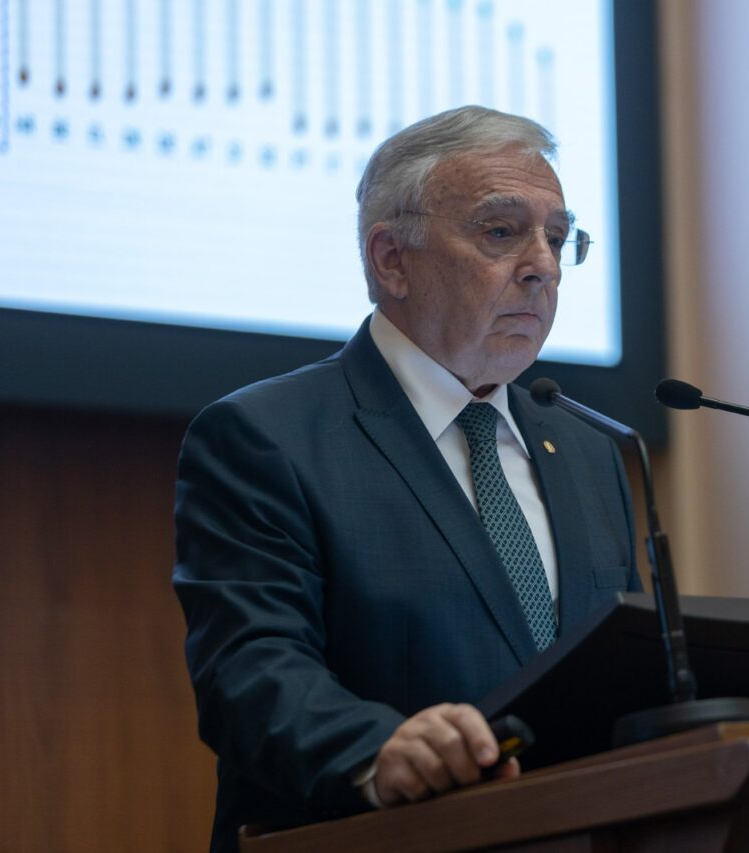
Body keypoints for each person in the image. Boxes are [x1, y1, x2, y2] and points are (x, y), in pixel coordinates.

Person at [173, 105, 640, 853]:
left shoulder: (588, 452)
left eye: (557, 238)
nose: (544, 266)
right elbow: (250, 671)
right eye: (502, 231)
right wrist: (378, 752)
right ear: (391, 259)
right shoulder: (266, 437)